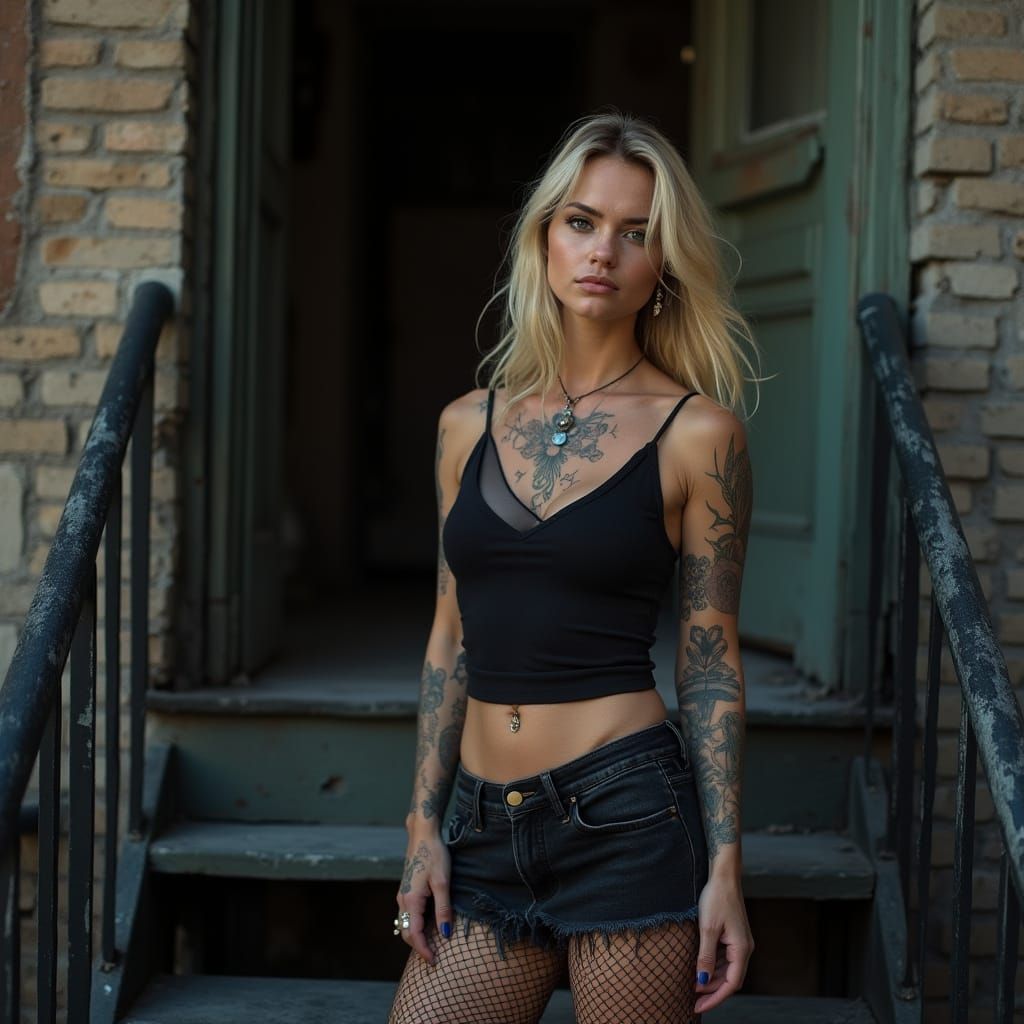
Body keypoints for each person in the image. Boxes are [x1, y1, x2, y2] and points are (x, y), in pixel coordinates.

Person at [388, 109, 761, 1024]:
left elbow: (709, 666)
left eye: (637, 234)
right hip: (478, 825)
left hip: (627, 815)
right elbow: (449, 638)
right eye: (582, 222)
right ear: (545, 238)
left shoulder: (699, 434)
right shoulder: (464, 425)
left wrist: (724, 868)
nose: (604, 251)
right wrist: (423, 827)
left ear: (663, 265)